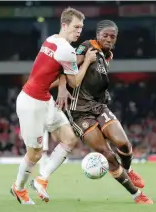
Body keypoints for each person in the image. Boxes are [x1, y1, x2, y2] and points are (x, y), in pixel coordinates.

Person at [56, 20, 153, 204]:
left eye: (112, 36)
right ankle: (136, 195)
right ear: (97, 35)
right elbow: (66, 67)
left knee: (123, 144)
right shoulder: (87, 47)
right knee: (108, 154)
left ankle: (129, 170)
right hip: (79, 112)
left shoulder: (107, 55)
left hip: (99, 106)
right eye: (105, 35)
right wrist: (62, 88)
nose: (108, 39)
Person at [11, 7, 97, 205]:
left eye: (81, 28)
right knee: (35, 153)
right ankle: (19, 188)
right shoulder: (66, 49)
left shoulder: (51, 39)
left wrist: (62, 87)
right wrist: (87, 62)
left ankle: (42, 179)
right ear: (64, 25)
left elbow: (58, 70)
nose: (79, 31)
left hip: (45, 100)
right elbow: (75, 81)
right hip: (31, 104)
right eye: (76, 27)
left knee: (69, 138)